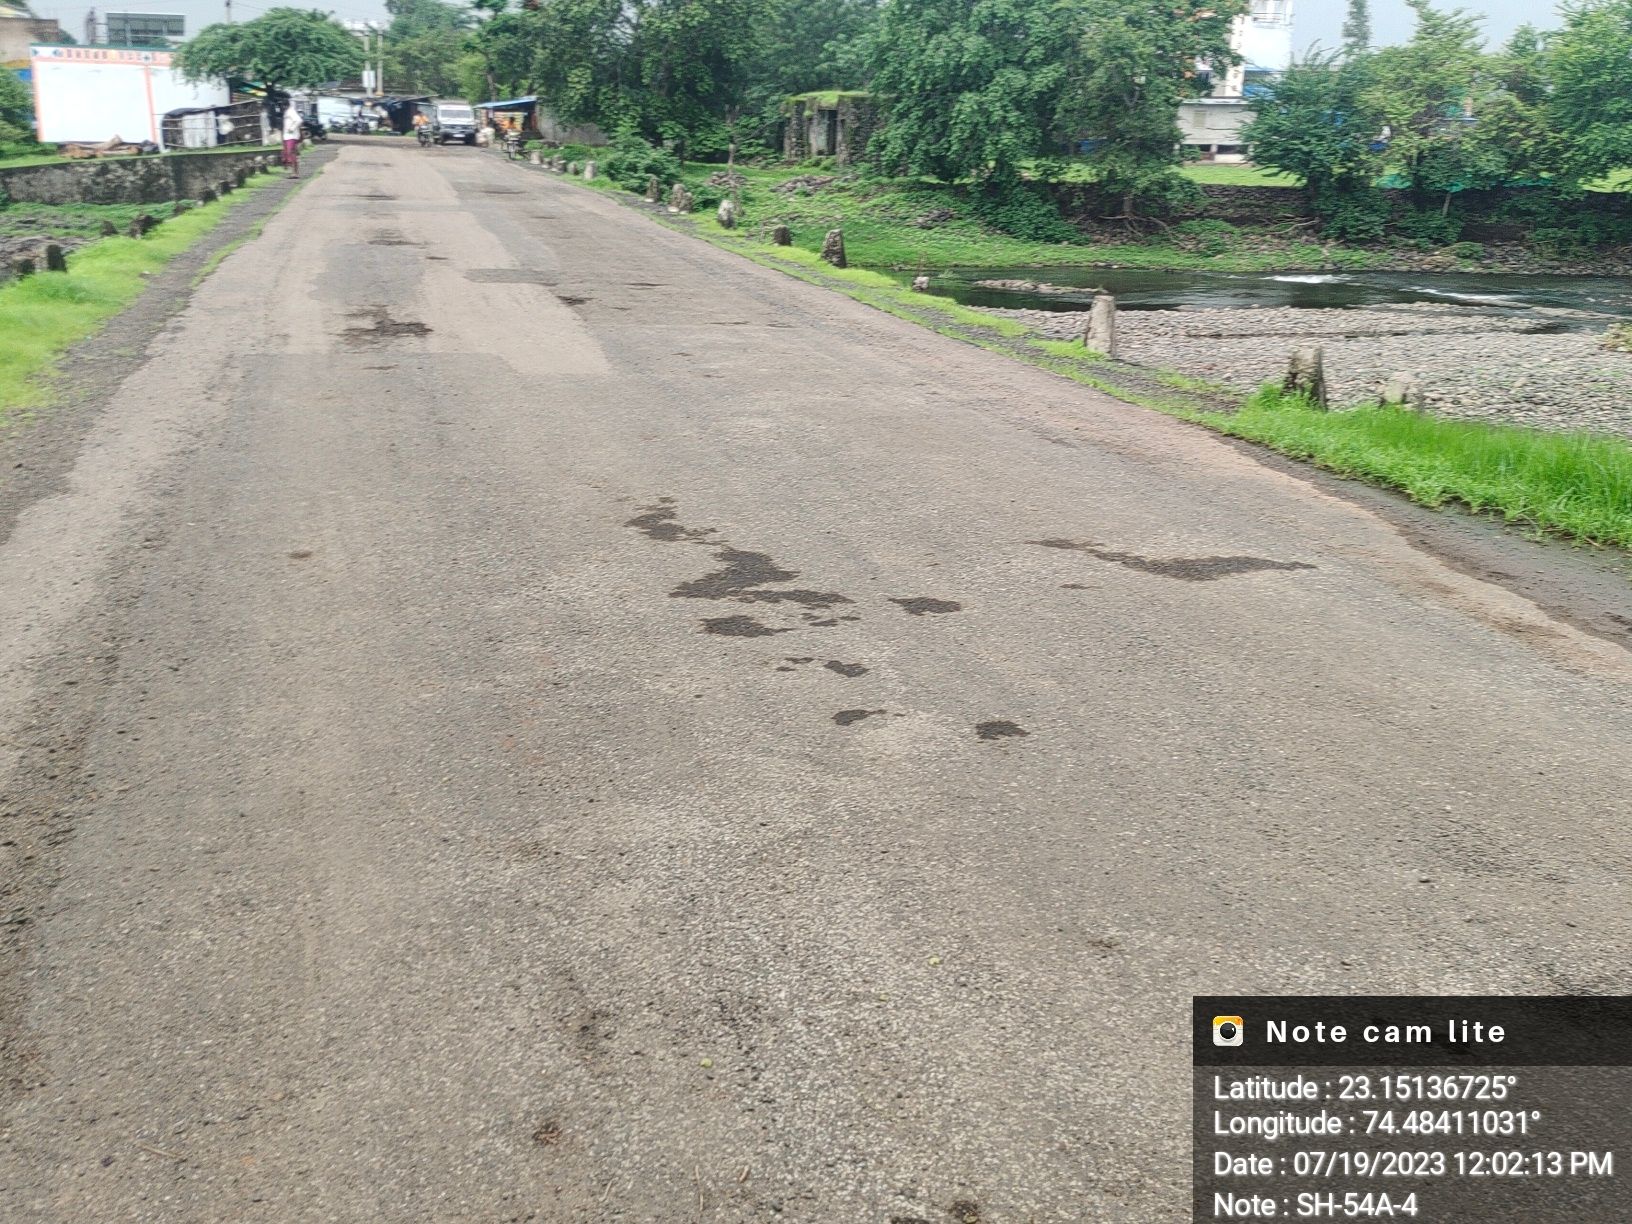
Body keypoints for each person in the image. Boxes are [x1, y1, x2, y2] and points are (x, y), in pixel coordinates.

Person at [281, 102, 303, 178]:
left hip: (292, 136)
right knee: (288, 154)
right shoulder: (286, 112)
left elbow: (299, 120)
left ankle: (295, 173)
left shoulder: (291, 111)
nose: (282, 107)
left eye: (283, 105)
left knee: (291, 153)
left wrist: (292, 128)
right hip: (287, 136)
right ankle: (293, 172)